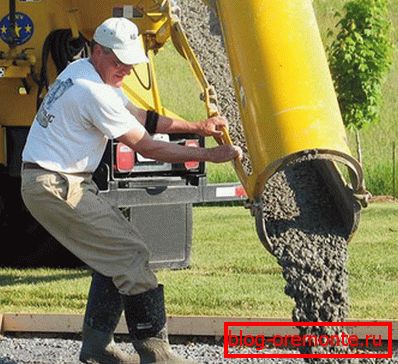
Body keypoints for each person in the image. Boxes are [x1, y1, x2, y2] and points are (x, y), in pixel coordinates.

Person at [20, 17, 242, 364]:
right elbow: (149, 147)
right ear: (97, 51)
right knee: (132, 257)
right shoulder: (91, 91)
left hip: (56, 182)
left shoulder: (83, 71)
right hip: (57, 186)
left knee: (116, 258)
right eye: (118, 61)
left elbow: (141, 117)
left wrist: (197, 127)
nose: (124, 68)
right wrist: (209, 154)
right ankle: (157, 355)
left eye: (129, 62)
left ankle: (97, 349)